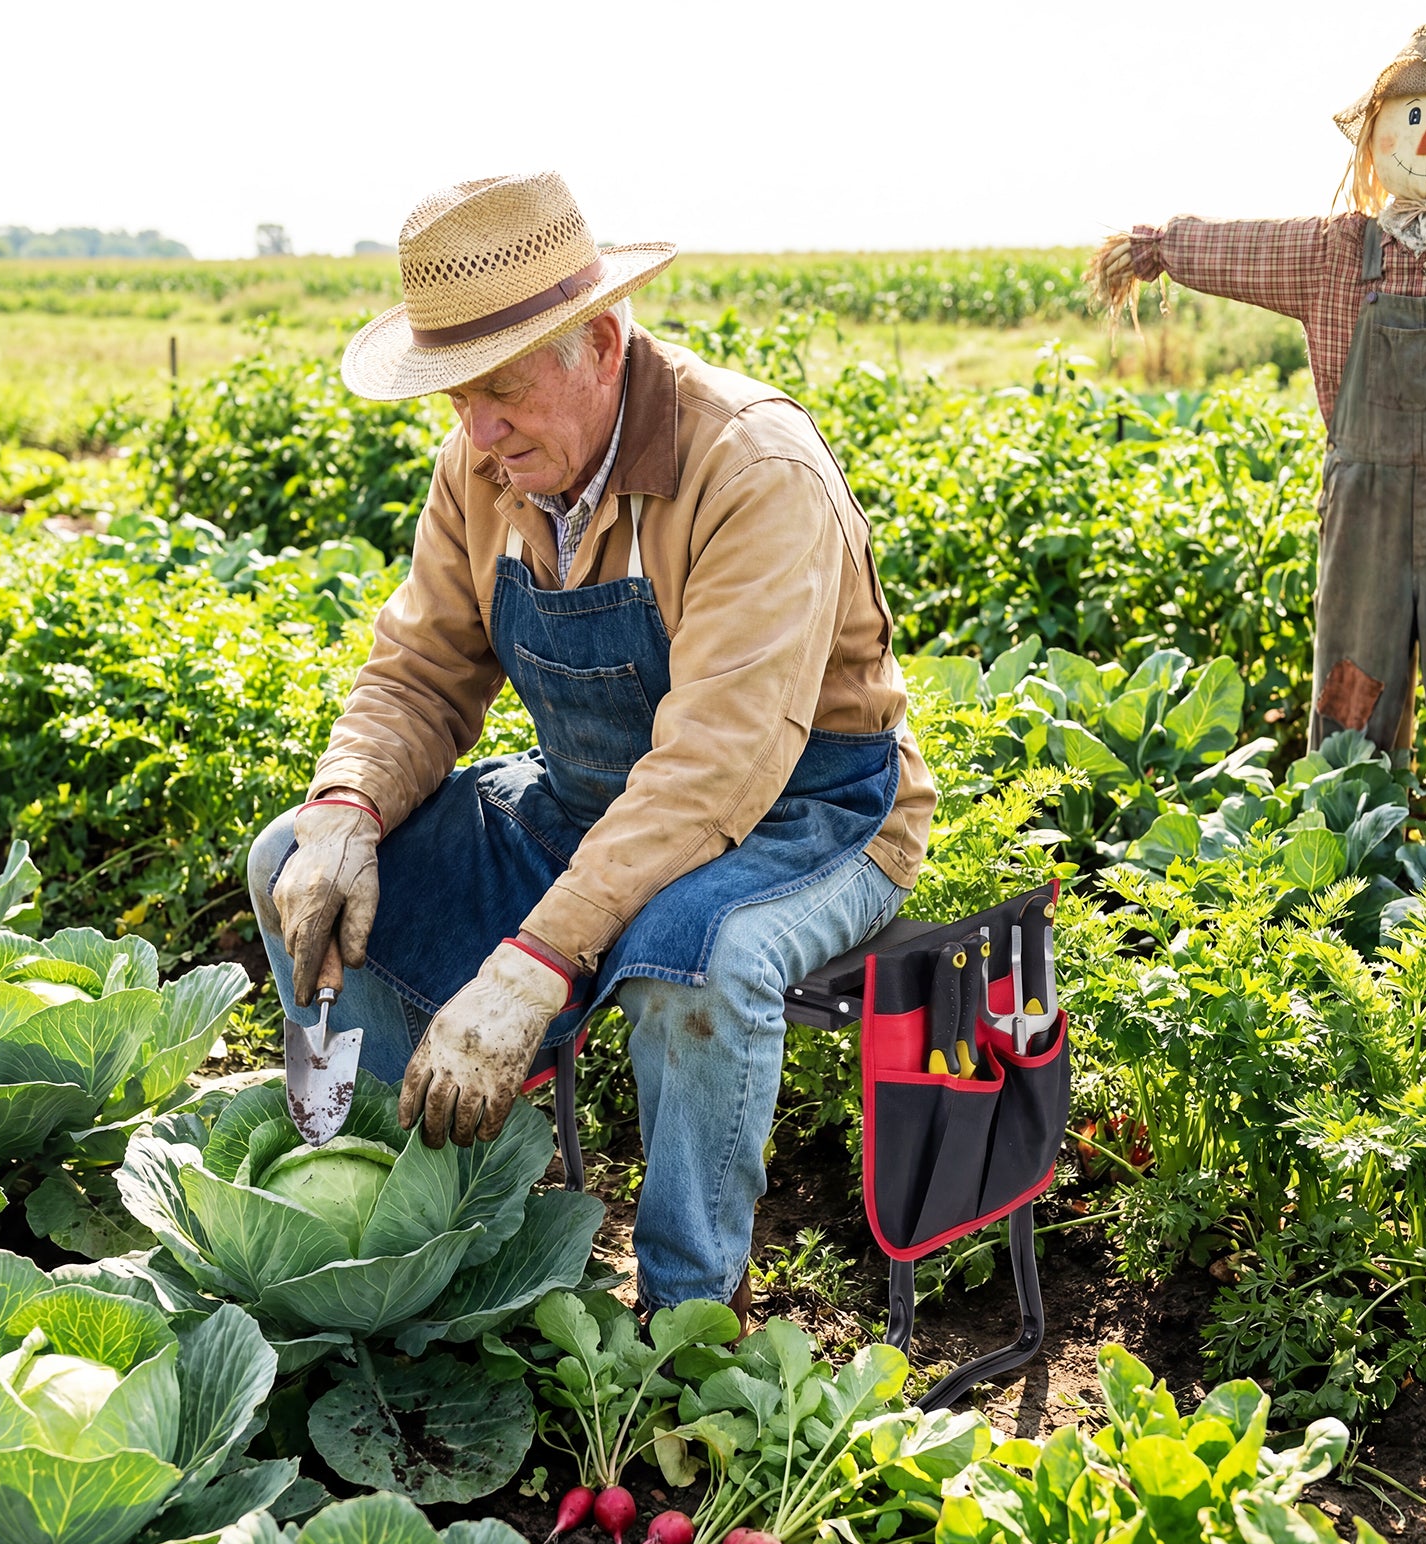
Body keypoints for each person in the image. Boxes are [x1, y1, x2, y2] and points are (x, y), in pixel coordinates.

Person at [247, 171, 936, 1321]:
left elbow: (716, 761)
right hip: (587, 801)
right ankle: (413, 1237)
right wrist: (346, 805)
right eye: (457, 399)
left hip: (800, 811)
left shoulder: (748, 467)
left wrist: (537, 956)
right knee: (293, 867)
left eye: (503, 394)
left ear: (601, 343)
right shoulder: (481, 465)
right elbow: (421, 668)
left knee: (689, 964)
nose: (478, 433)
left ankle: (686, 1323)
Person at [1089, 24, 1426, 799]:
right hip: (1366, 514)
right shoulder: (1335, 251)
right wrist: (1160, 248)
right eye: (1412, 119)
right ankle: (1355, 858)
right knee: (1355, 684)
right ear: (1376, 139)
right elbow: (1244, 246)